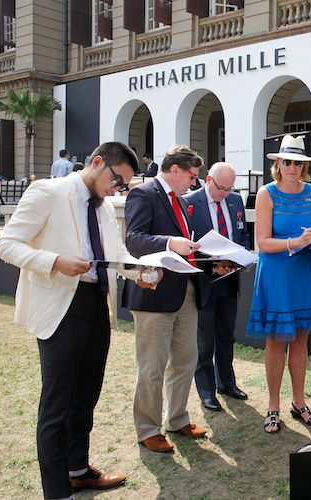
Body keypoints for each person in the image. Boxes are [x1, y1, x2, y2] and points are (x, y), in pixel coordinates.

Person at [0, 142, 160, 499]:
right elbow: (6, 244)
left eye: (123, 186)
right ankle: (58, 492)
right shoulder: (47, 191)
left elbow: (114, 254)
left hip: (95, 304)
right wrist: (55, 260)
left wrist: (140, 271)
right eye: (116, 180)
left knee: (86, 395)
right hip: (59, 306)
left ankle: (78, 469)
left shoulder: (102, 205)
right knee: (57, 403)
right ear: (97, 162)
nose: (117, 190)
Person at [122, 145, 208, 453]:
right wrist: (171, 242)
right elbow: (133, 239)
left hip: (185, 290)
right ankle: (148, 429)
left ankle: (177, 418)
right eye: (192, 176)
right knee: (152, 366)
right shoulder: (143, 194)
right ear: (175, 170)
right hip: (153, 294)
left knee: (186, 359)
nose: (194, 183)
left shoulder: (181, 201)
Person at [247, 134, 311, 434]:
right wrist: (294, 242)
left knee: (300, 339)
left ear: (304, 166)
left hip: (304, 271)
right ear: (278, 164)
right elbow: (262, 242)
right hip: (277, 274)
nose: (292, 167)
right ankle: (273, 406)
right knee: (275, 341)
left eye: (297, 162)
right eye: (287, 162)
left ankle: (299, 402)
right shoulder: (265, 194)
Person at [184, 162, 250, 411]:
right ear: (208, 179)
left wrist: (239, 259)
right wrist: (212, 266)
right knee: (204, 339)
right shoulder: (190, 202)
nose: (224, 193)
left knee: (226, 335)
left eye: (229, 188)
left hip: (230, 279)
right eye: (220, 187)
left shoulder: (235, 201)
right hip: (203, 280)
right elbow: (186, 244)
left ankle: (227, 382)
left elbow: (242, 236)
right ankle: (206, 390)